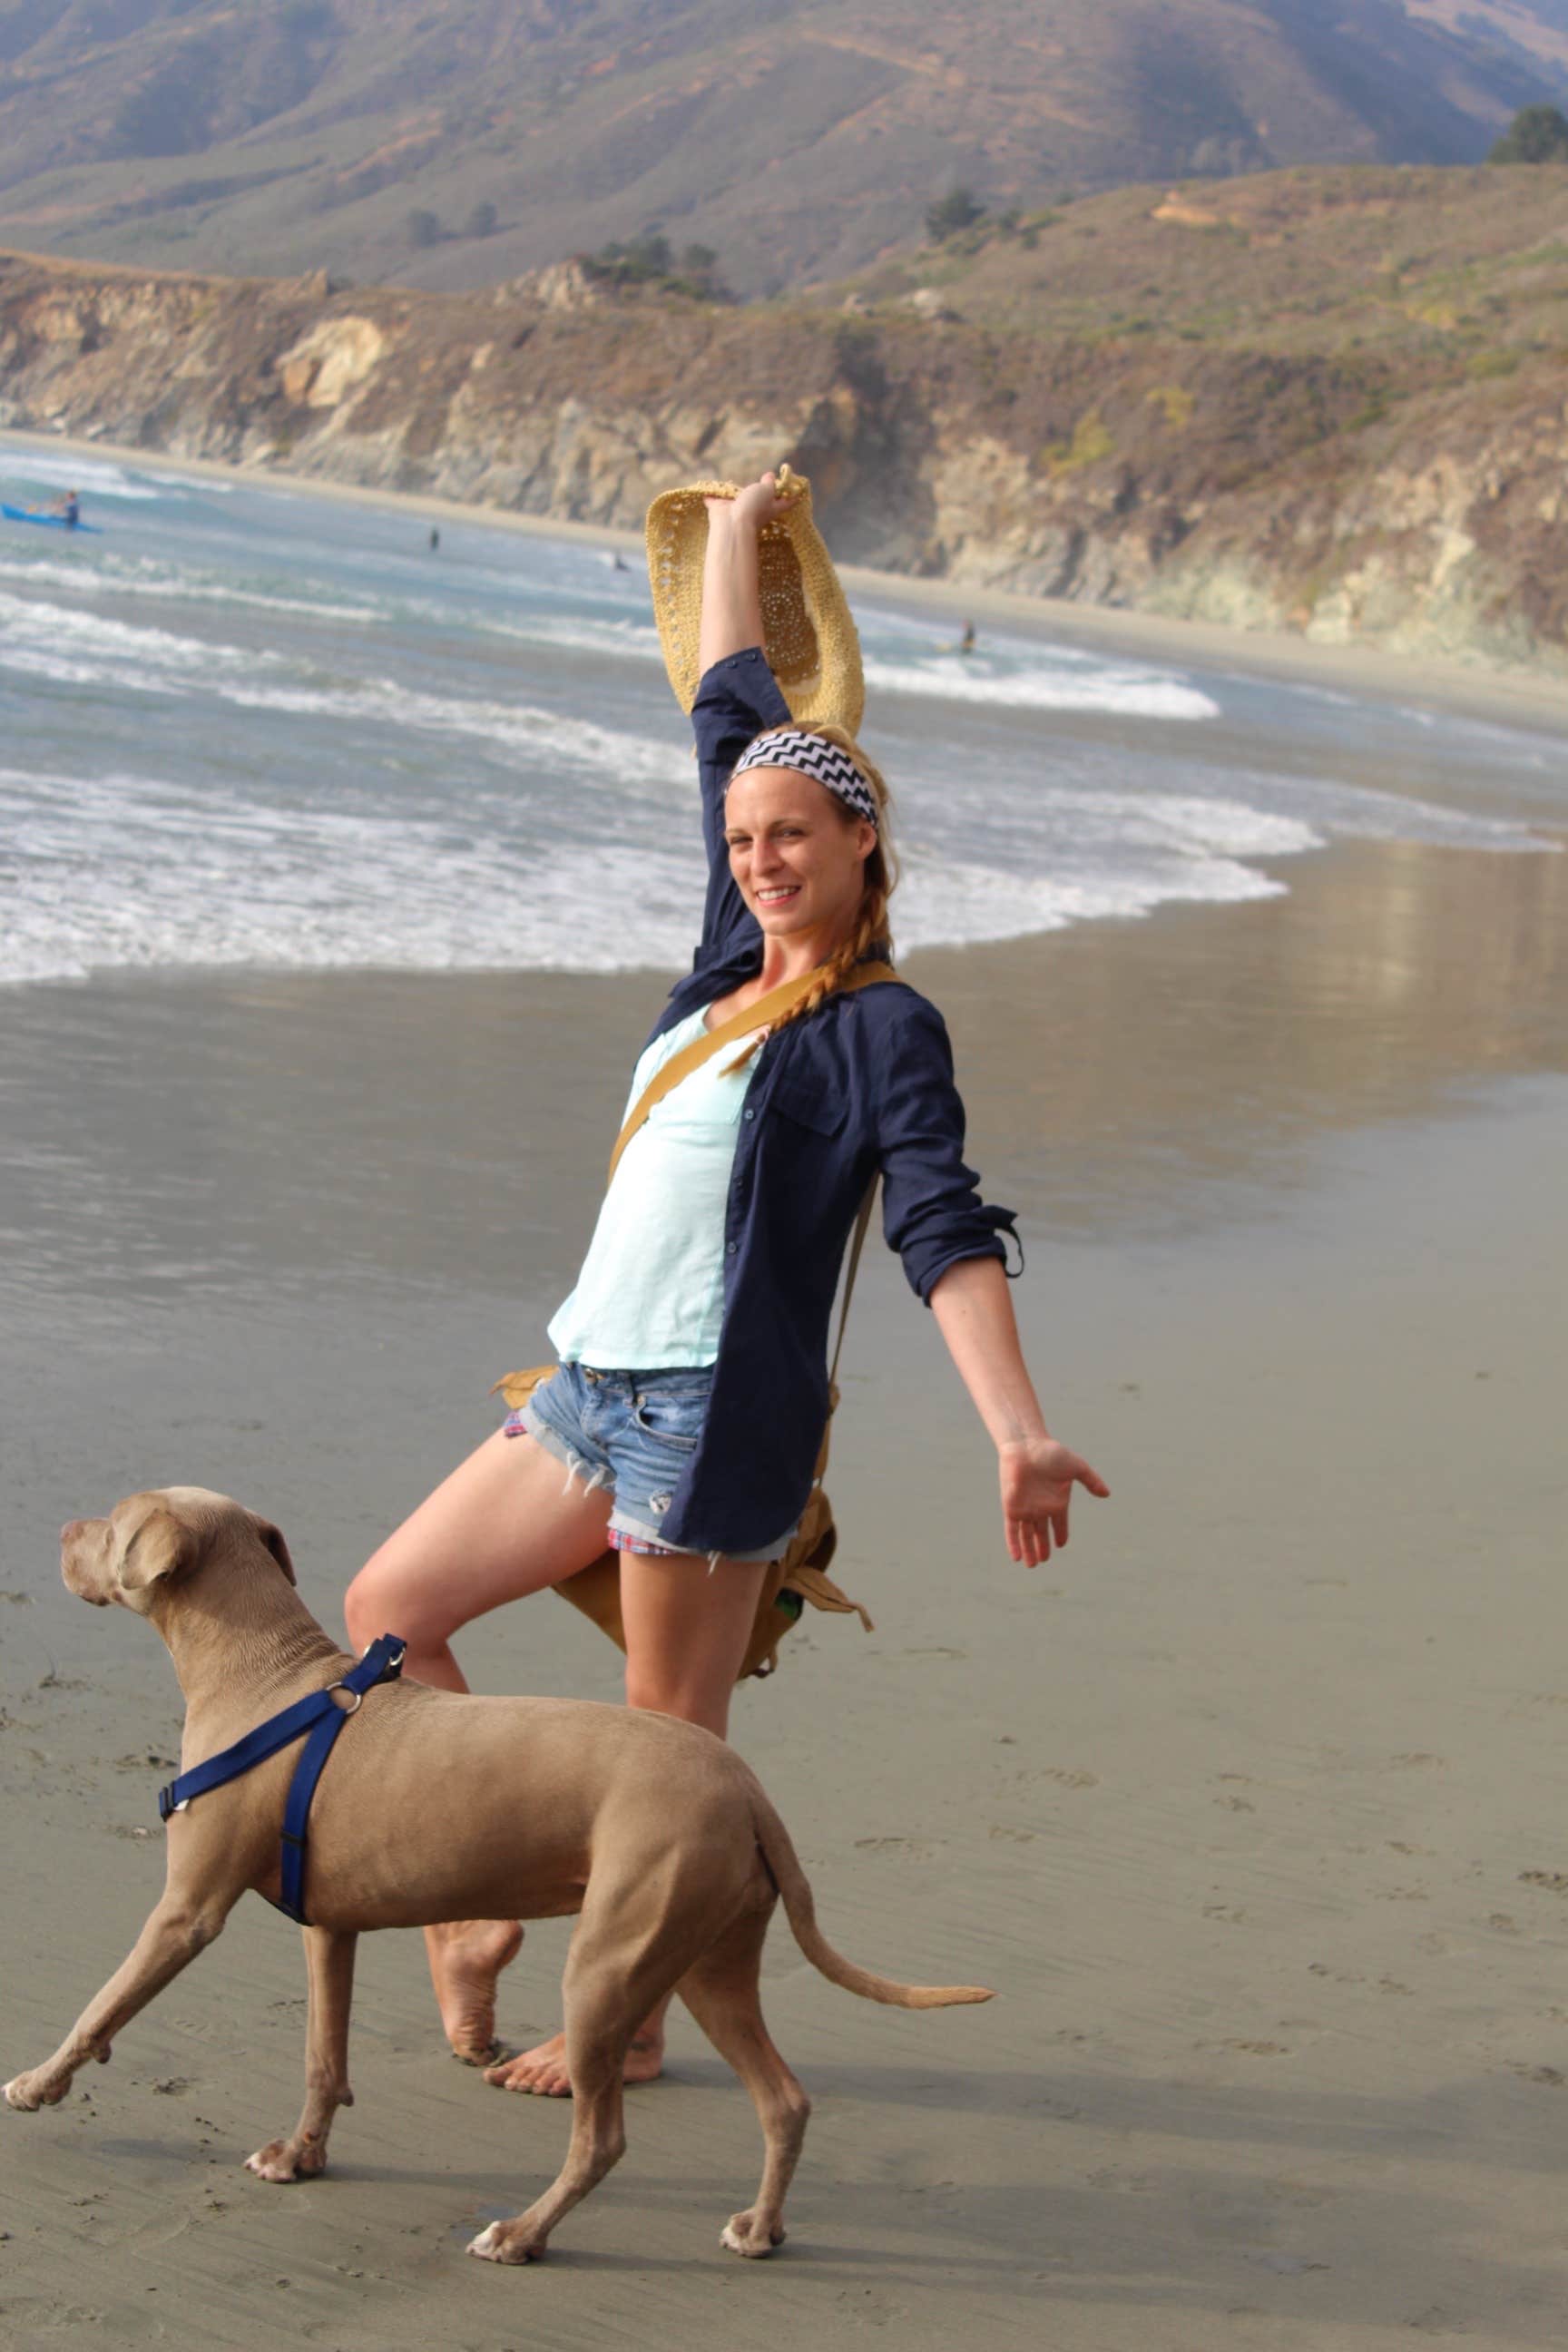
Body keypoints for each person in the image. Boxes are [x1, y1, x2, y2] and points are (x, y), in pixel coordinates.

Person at [343, 471, 1108, 2097]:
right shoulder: (717, 967)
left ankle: (611, 2021)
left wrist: (1016, 1430)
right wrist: (745, 531)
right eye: (744, 836)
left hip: (712, 1421)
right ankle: (484, 1908)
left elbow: (944, 1234)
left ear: (861, 837)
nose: (761, 856)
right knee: (387, 1615)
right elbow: (727, 707)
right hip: (584, 1391)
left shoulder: (884, 1027)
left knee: (664, 1753)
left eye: (793, 836)